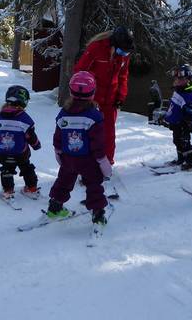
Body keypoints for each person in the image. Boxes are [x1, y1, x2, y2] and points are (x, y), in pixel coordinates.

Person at [46, 71, 111, 227]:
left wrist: (58, 152)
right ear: (93, 92)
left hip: (68, 158)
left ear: (71, 92)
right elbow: (97, 143)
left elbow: (58, 137)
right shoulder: (94, 117)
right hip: (88, 161)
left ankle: (55, 207)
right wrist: (103, 161)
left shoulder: (63, 114)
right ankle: (98, 215)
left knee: (63, 182)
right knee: (94, 185)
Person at [72, 26, 133, 164]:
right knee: (89, 132)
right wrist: (87, 91)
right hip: (92, 99)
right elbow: (80, 71)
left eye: (126, 52)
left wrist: (121, 96)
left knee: (108, 134)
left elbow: (123, 76)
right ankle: (86, 162)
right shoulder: (96, 48)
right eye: (122, 50)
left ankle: (107, 163)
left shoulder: (124, 54)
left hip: (110, 100)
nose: (123, 54)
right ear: (114, 44)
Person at [0, 85, 42, 198]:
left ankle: (8, 191)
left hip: (3, 152)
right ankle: (31, 188)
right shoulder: (24, 119)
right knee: (27, 168)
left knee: (6, 169)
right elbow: (30, 136)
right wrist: (36, 145)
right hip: (21, 153)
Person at [161, 64, 192, 170]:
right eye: (176, 78)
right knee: (177, 141)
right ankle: (181, 158)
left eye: (180, 78)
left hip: (183, 124)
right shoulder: (179, 91)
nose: (176, 80)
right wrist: (167, 116)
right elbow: (174, 106)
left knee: (184, 142)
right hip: (176, 123)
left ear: (190, 80)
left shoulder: (190, 95)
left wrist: (186, 118)